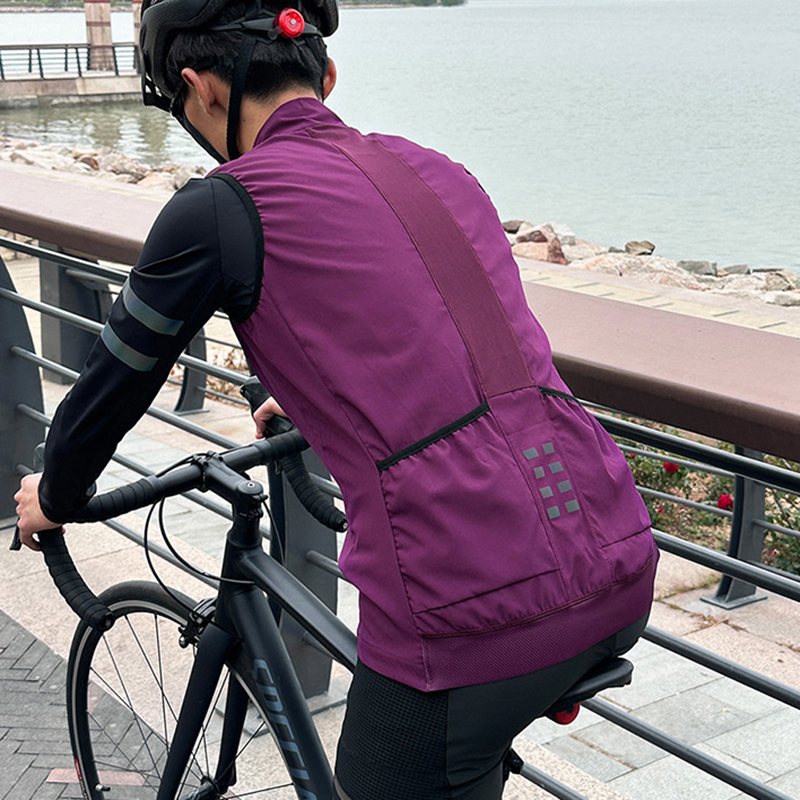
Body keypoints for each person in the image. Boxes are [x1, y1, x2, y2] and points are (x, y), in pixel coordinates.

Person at [15, 0, 659, 797]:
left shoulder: (220, 207)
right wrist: (319, 398)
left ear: (199, 88)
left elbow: (112, 385)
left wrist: (56, 494)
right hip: (616, 544)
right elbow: (456, 336)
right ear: (326, 75)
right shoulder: (436, 169)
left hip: (469, 608)